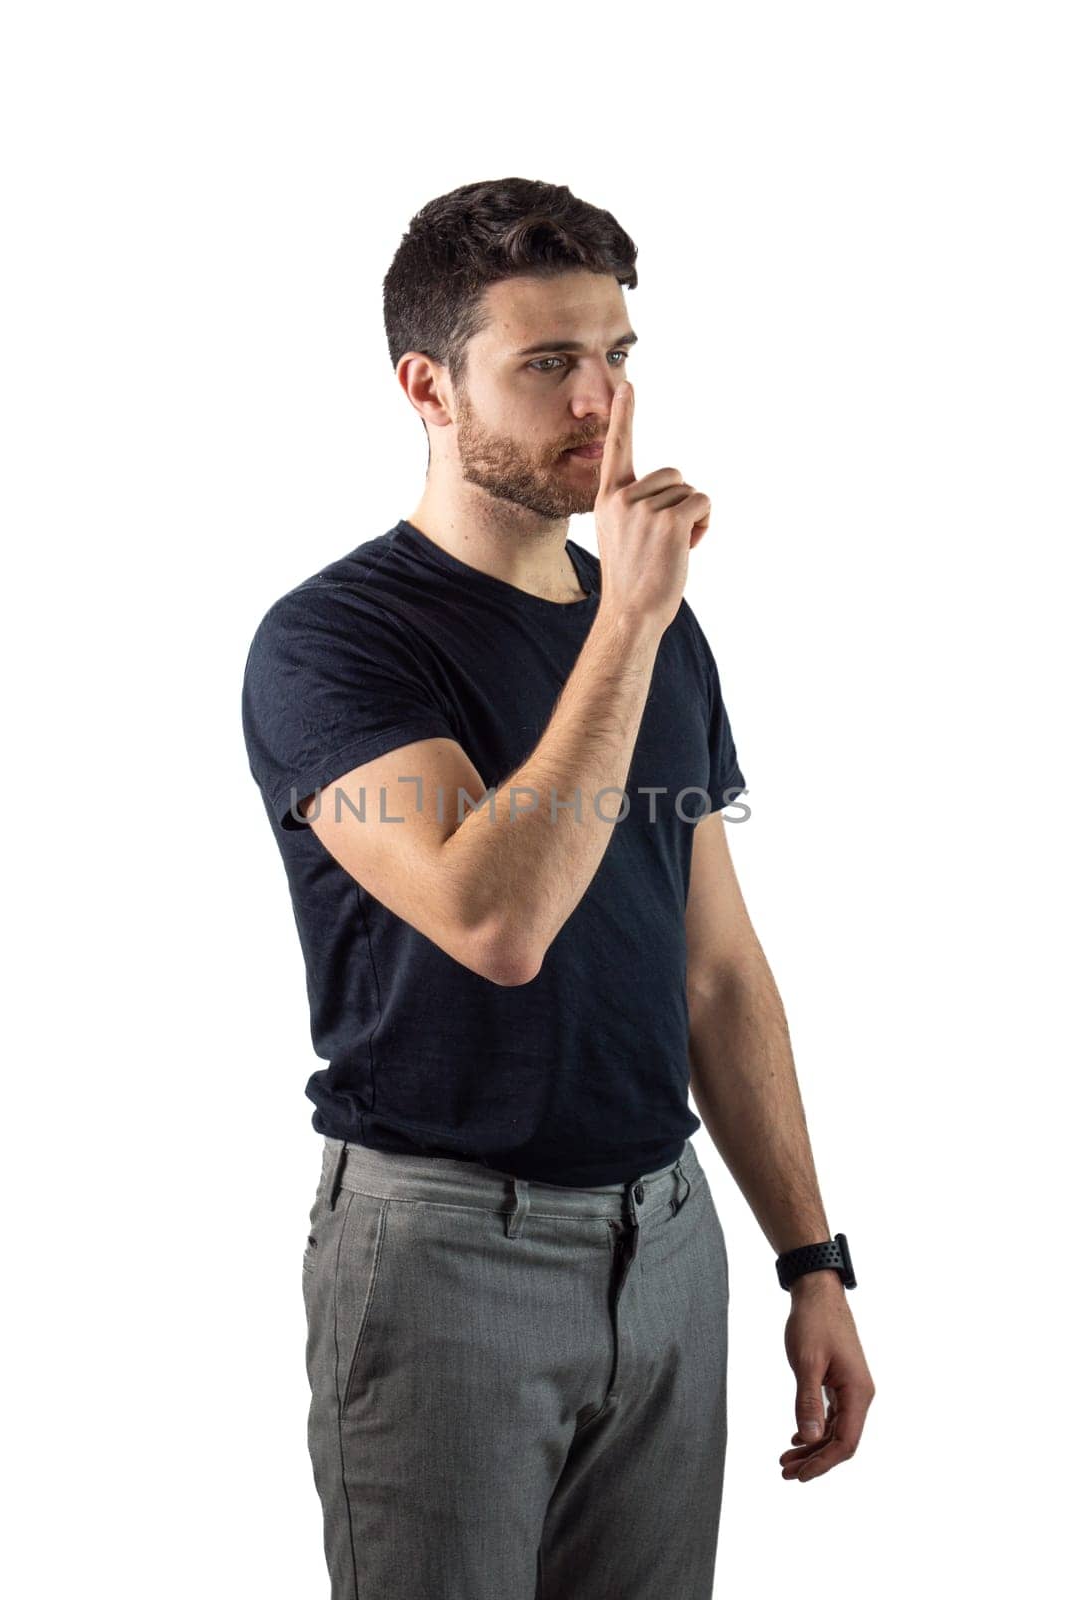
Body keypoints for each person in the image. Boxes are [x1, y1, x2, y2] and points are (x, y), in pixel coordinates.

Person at [241, 177, 875, 1600]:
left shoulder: (656, 627)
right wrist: (630, 617)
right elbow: (494, 921)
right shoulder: (330, 643)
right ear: (425, 384)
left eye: (617, 357)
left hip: (664, 1237)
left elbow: (715, 967)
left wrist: (809, 1259)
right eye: (545, 364)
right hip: (443, 1249)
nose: (601, 402)